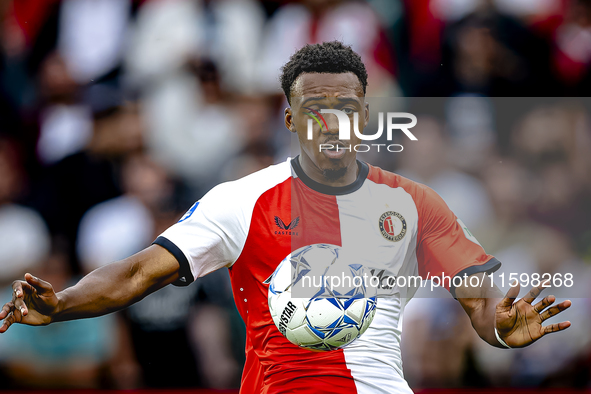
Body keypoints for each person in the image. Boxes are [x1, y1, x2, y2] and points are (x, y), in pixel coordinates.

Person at [0, 41, 572, 394]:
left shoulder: (413, 203)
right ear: (291, 117)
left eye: (345, 109)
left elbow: (479, 304)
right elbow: (137, 273)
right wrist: (66, 304)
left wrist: (502, 330)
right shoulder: (240, 200)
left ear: (365, 115)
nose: (331, 123)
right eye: (314, 110)